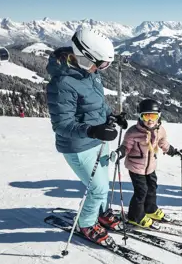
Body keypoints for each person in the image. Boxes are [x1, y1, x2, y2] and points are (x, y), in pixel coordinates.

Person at [46, 26, 128, 246]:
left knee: (103, 183)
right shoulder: (62, 83)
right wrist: (91, 130)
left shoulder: (90, 73)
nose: (103, 68)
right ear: (84, 56)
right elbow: (61, 124)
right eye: (101, 63)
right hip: (78, 145)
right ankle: (87, 223)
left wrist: (112, 116)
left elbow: (97, 105)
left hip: (98, 140)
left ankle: (101, 212)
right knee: (98, 187)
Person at [114, 99, 182, 228]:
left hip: (150, 166)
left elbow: (163, 144)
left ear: (158, 116)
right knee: (141, 191)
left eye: (153, 116)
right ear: (140, 116)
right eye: (146, 116)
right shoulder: (133, 132)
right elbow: (126, 147)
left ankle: (150, 209)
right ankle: (135, 216)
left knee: (152, 187)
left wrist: (174, 152)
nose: (150, 120)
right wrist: (119, 153)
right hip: (136, 167)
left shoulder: (160, 130)